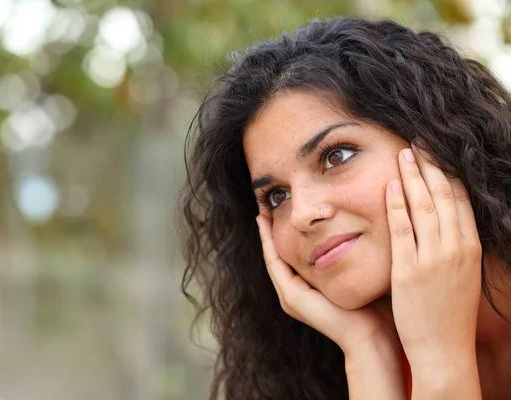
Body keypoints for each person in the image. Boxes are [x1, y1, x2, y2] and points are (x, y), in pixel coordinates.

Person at [179, 16, 511, 399]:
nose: (302, 214)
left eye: (336, 156)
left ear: (439, 142)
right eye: (276, 196)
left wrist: (440, 362)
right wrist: (367, 348)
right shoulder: (326, 367)